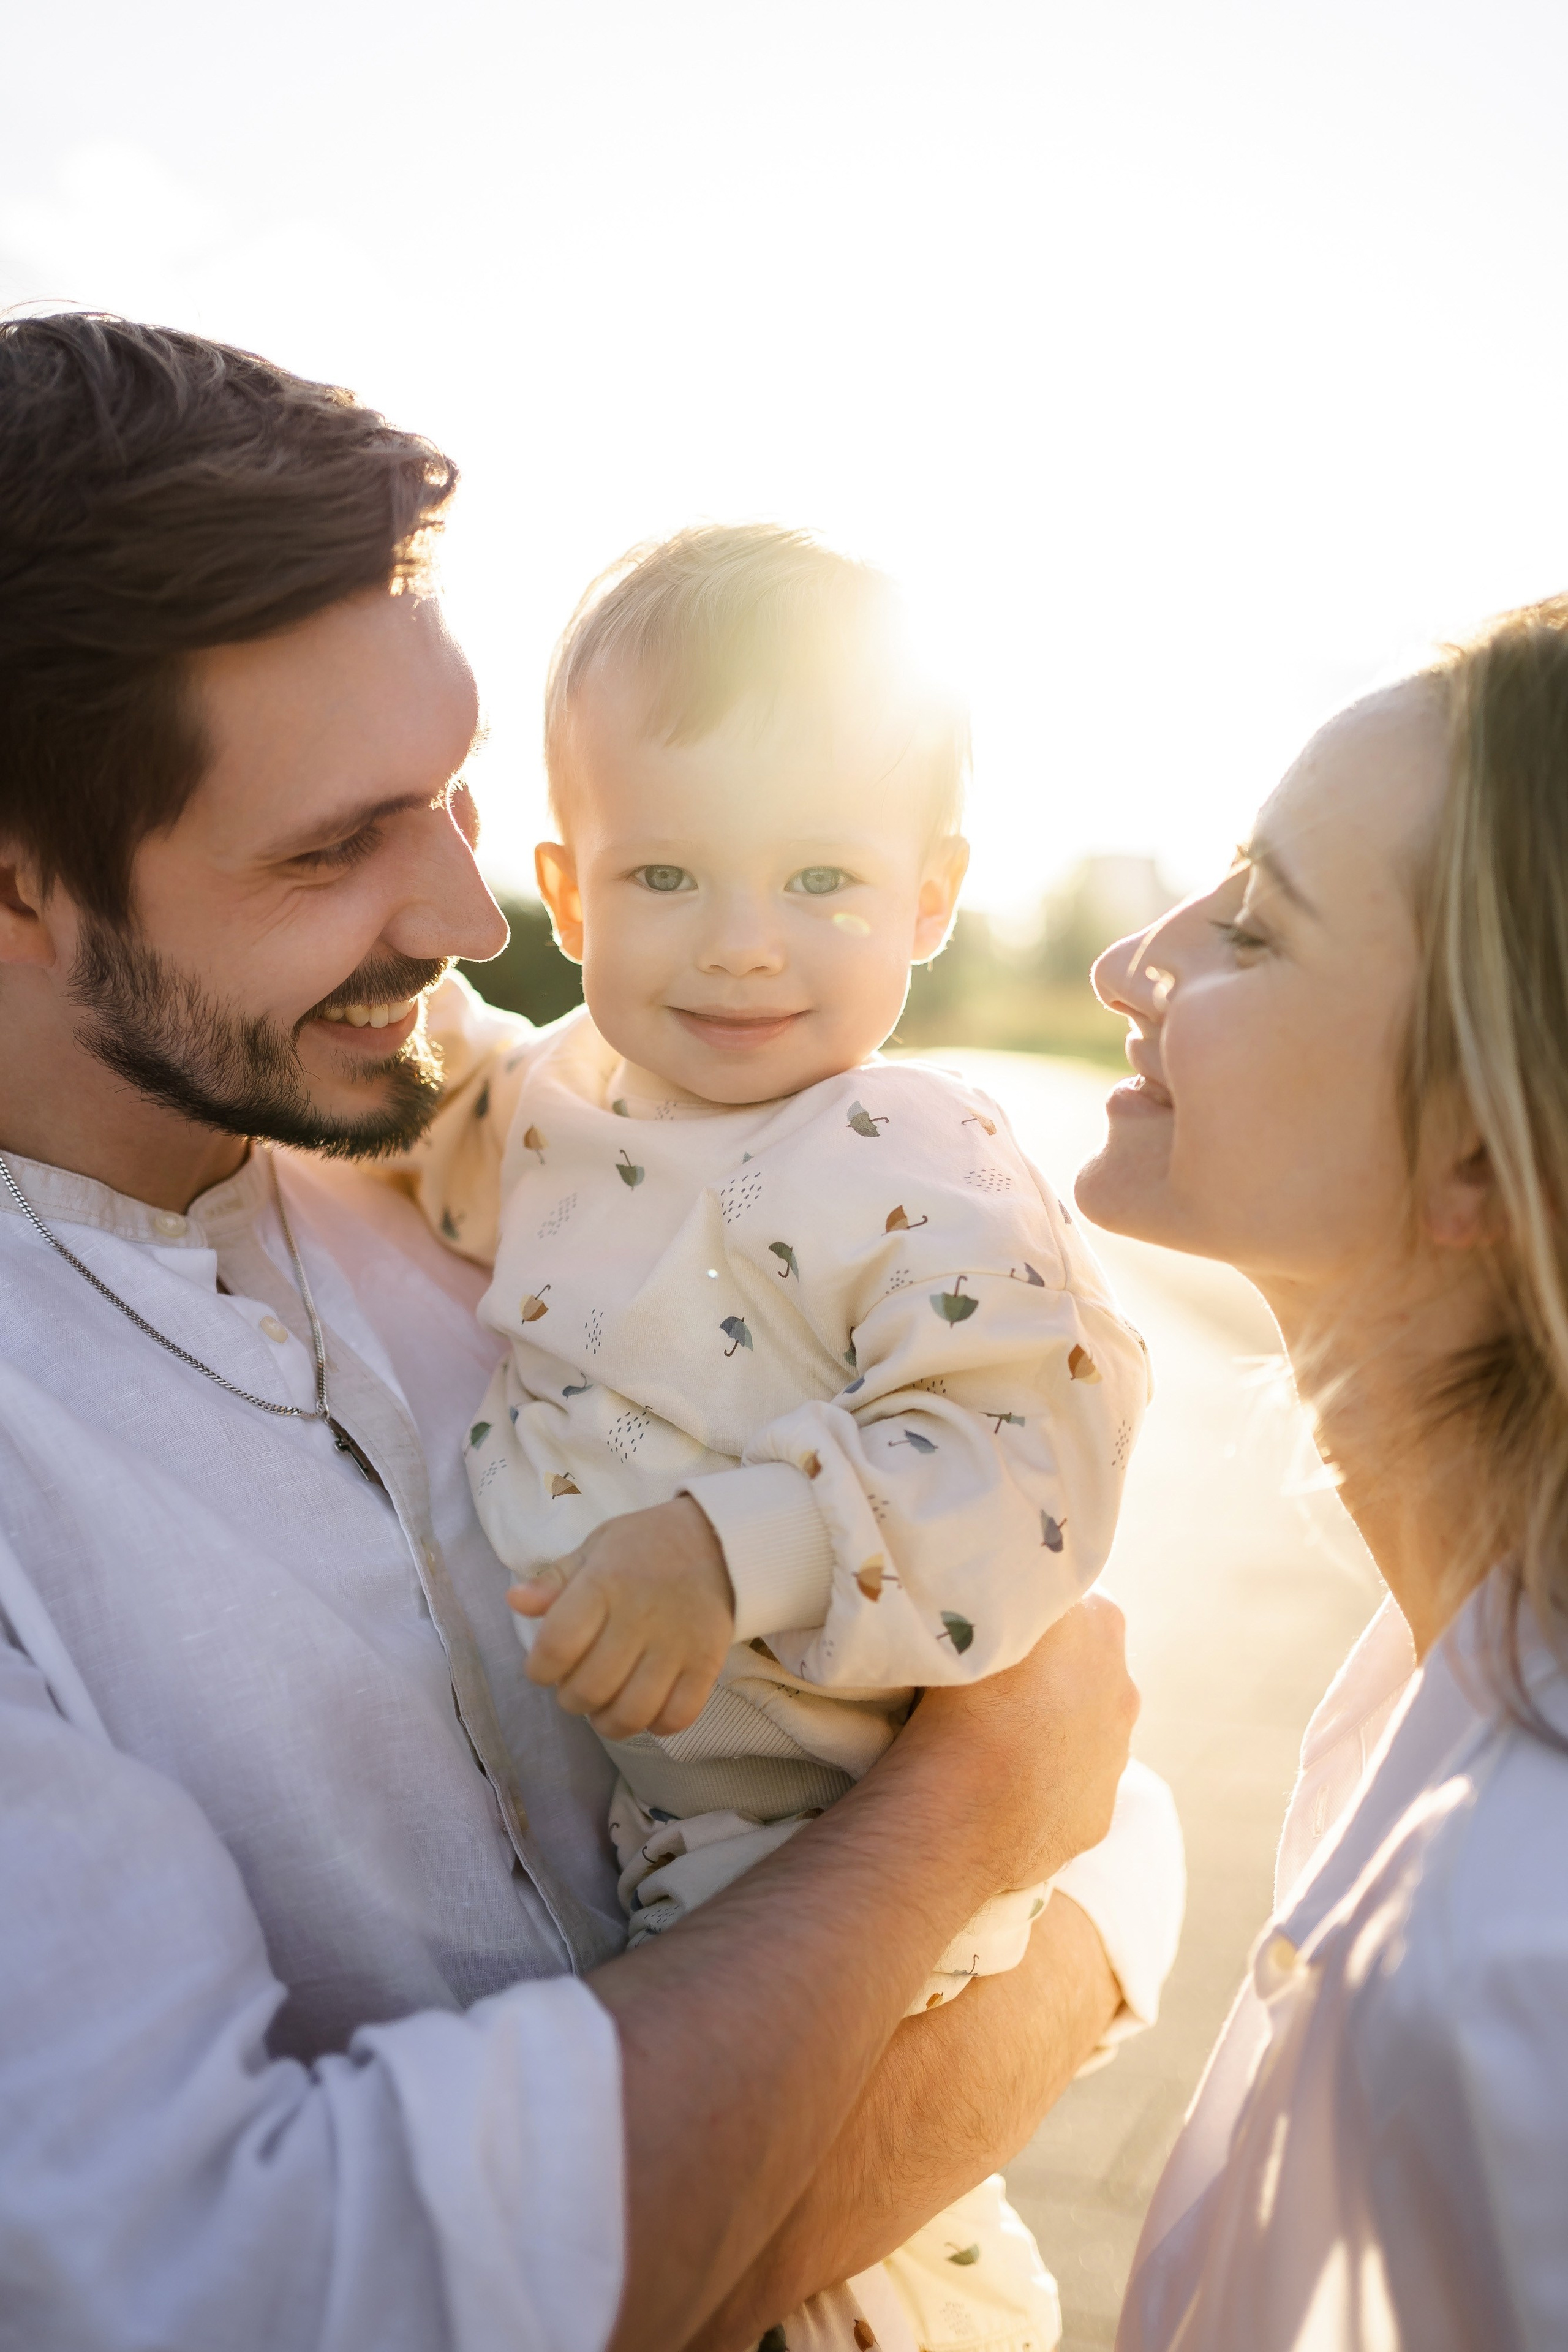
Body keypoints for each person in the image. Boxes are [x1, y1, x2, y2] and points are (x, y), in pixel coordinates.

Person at [0, 312, 1179, 2352]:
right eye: (331, 845)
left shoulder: (490, 1153)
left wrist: (1023, 1841)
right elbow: (267, 2291)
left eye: (450, 802)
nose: (479, 919)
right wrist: (971, 1828)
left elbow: (1095, 1771)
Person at [393, 525, 1174, 2352]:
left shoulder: (915, 1156)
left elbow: (1025, 1456)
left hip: (830, 1828)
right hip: (632, 1849)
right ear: (567, 899)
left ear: (929, 897)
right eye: (671, 875)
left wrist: (732, 1546)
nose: (744, 948)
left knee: (836, 2270)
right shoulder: (558, 1101)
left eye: (821, 877)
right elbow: (417, 1096)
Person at [1080, 601, 1568, 2349]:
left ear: (1476, 1153)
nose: (1131, 961)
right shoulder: (1445, 1678)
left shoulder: (1525, 1954)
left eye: (1257, 926)